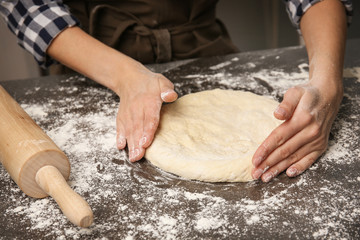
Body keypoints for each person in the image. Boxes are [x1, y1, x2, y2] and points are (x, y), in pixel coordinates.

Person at [0, 0, 353, 182]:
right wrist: (126, 77)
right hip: (91, 58)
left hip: (203, 45)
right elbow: (29, 8)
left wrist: (326, 82)